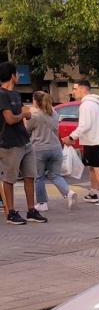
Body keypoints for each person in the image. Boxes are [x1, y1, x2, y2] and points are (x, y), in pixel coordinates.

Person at [0, 62, 47, 224]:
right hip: (9, 143)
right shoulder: (2, 95)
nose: (19, 77)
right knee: (9, 178)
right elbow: (10, 119)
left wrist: (24, 115)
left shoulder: (15, 94)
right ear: (12, 76)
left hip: (24, 141)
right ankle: (11, 212)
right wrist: (24, 115)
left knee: (29, 175)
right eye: (17, 74)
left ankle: (31, 210)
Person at [61, 80, 99, 206]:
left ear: (83, 90)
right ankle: (93, 193)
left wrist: (71, 137)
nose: (73, 91)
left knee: (97, 169)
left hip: (92, 140)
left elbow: (84, 126)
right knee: (92, 167)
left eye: (75, 89)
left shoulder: (86, 105)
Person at [26, 91, 77, 211]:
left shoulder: (35, 116)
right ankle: (68, 192)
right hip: (56, 149)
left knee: (39, 177)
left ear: (36, 102)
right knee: (55, 175)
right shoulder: (54, 114)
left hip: (39, 149)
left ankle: (42, 203)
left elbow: (27, 130)